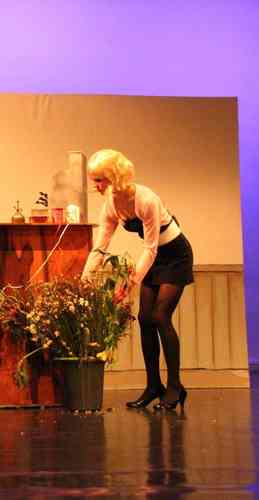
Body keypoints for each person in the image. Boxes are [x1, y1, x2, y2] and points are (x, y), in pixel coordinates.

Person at [81, 149, 194, 410]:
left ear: (115, 176)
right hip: (153, 259)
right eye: (94, 180)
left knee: (160, 316)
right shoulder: (111, 202)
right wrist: (85, 279)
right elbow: (101, 246)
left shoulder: (146, 199)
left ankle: (175, 387)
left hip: (174, 255)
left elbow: (151, 248)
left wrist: (129, 283)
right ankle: (154, 385)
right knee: (145, 318)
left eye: (101, 180)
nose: (97, 187)